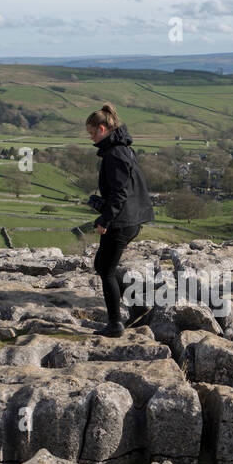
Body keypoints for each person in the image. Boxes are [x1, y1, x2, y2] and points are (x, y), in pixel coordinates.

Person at [87, 103, 154, 337]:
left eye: (93, 133)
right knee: (104, 266)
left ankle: (115, 324)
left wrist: (105, 219)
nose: (91, 138)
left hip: (122, 221)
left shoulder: (114, 154)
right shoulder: (121, 149)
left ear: (103, 128)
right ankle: (137, 304)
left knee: (105, 270)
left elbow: (119, 193)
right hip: (130, 217)